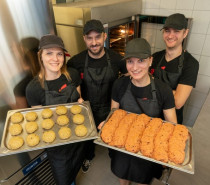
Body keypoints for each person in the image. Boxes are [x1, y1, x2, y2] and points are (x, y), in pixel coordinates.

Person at [108, 38, 177, 185]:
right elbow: (114, 113)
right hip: (123, 147)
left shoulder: (163, 90)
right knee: (123, 177)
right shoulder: (119, 85)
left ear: (150, 61)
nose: (134, 67)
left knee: (143, 179)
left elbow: (172, 125)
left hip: (148, 148)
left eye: (141, 60)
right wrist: (107, 125)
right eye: (130, 61)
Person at [67, 19, 127, 173]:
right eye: (89, 38)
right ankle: (89, 157)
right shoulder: (75, 61)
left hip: (110, 109)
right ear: (84, 39)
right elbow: (71, 85)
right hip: (87, 110)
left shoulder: (117, 59)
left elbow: (129, 78)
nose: (94, 42)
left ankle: (114, 157)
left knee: (113, 141)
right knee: (87, 142)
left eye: (97, 37)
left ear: (104, 36)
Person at [26, 34, 85, 185]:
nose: (55, 58)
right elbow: (40, 124)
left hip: (77, 139)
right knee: (64, 180)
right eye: (49, 53)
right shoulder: (34, 88)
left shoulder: (72, 74)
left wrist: (81, 103)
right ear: (41, 56)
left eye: (59, 53)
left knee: (75, 169)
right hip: (57, 149)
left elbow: (78, 100)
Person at [150, 13, 199, 124]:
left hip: (171, 121)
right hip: (150, 116)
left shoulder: (191, 64)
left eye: (176, 31)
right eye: (167, 31)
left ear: (185, 33)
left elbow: (177, 102)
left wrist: (152, 83)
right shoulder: (155, 57)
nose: (170, 36)